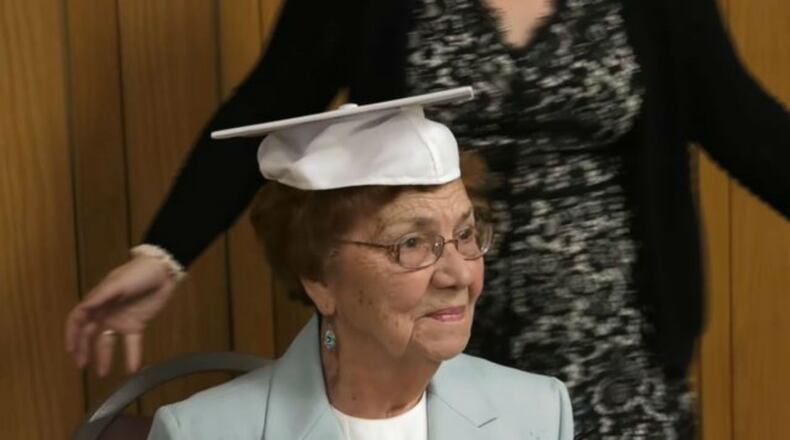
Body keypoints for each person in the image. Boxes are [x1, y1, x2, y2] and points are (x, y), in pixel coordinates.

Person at [67, 0, 789, 437]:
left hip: (614, 361)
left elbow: (747, 126)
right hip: (418, 358)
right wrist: (163, 252)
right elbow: (267, 101)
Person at [146, 91, 573, 439]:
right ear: (317, 278)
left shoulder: (537, 413)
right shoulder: (198, 433)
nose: (459, 274)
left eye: (465, 235)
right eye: (411, 244)